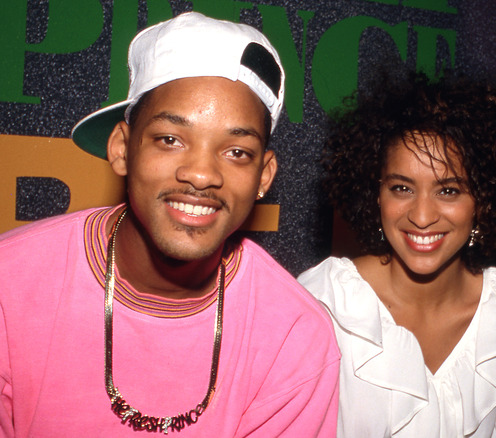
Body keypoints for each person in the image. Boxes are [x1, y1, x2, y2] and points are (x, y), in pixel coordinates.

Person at [0, 12, 339, 436]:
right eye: (170, 140)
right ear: (123, 149)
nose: (201, 174)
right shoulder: (9, 282)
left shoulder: (296, 336)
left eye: (237, 152)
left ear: (264, 178)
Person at [298, 71, 496, 437]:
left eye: (448, 191)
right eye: (401, 188)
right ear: (376, 195)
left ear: (484, 200)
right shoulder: (323, 304)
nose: (421, 216)